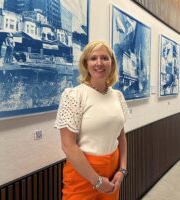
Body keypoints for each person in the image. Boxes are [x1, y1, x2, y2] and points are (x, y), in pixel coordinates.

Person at [54, 41, 129, 200]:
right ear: (85, 64)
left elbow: (121, 137)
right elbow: (68, 146)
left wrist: (122, 169)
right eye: (93, 58)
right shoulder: (74, 95)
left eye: (104, 58)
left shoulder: (118, 96)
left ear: (112, 63)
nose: (99, 63)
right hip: (83, 173)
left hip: (113, 171)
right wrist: (97, 181)